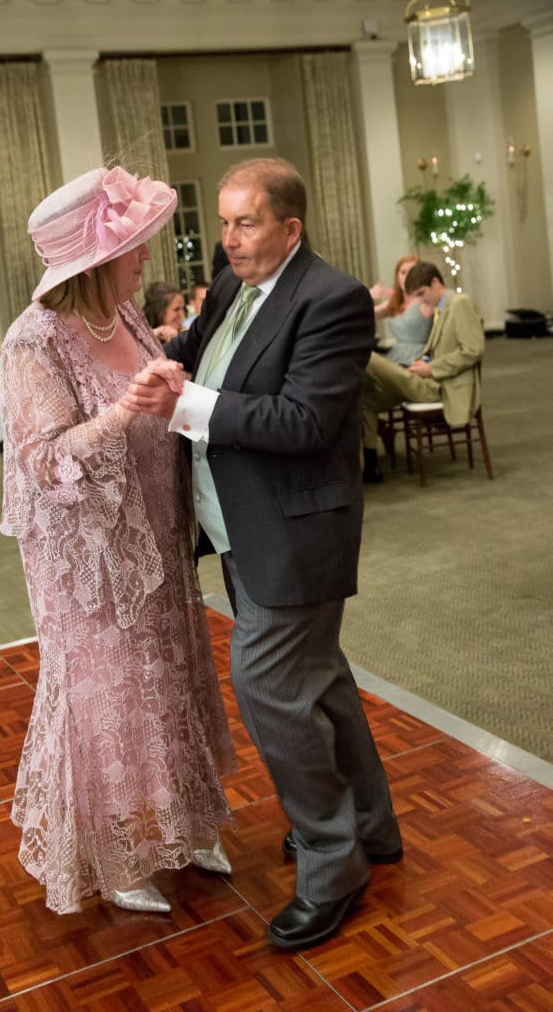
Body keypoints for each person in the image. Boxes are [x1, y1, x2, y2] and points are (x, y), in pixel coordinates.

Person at [121, 158, 402, 950]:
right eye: (222, 222)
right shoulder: (238, 289)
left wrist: (189, 402)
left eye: (245, 223)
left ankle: (330, 860)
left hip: (296, 531)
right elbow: (194, 350)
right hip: (242, 530)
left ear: (290, 227)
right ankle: (372, 828)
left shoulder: (331, 299)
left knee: (268, 684)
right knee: (322, 680)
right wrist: (155, 364)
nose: (229, 238)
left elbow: (303, 421)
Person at [0, 166, 235, 917]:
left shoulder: (126, 313)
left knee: (172, 677)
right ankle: (120, 848)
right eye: (133, 247)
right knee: (114, 694)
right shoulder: (33, 341)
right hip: (89, 558)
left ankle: (187, 824)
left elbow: (157, 401)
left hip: (157, 535)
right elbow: (43, 462)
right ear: (95, 261)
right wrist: (124, 412)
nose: (144, 260)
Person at [362, 260, 485, 483]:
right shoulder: (443, 307)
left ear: (436, 282)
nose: (422, 299)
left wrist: (431, 368)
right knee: (365, 399)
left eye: (422, 292)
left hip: (440, 386)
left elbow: (473, 350)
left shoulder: (459, 303)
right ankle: (369, 464)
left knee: (366, 358)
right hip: (426, 376)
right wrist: (423, 363)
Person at [371, 255, 432, 367]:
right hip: (395, 357)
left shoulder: (425, 298)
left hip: (419, 358)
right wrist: (369, 295)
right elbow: (362, 315)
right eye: (403, 273)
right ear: (397, 276)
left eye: (412, 272)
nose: (407, 277)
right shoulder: (395, 303)